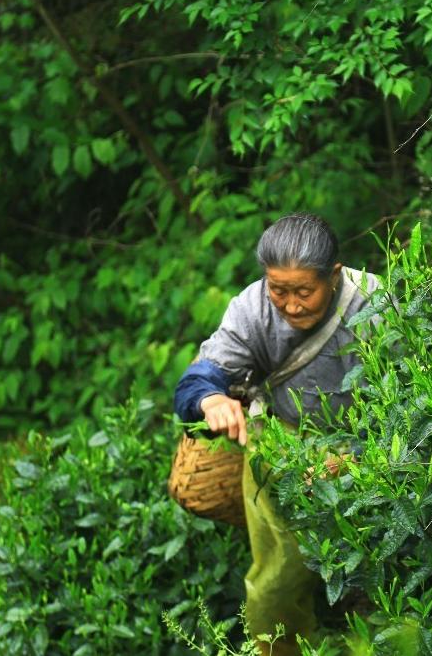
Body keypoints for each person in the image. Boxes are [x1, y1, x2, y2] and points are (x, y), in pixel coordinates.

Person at [173, 213, 378, 656]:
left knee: (382, 575)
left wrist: (356, 460)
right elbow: (197, 380)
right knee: (278, 577)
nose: (291, 304)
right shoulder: (252, 308)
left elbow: (411, 406)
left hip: (372, 453)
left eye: (304, 291)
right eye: (278, 290)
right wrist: (212, 401)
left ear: (334, 275)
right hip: (281, 442)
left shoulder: (376, 305)